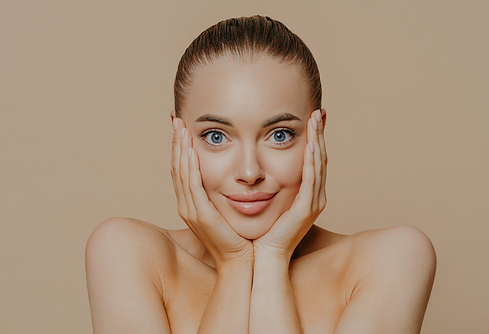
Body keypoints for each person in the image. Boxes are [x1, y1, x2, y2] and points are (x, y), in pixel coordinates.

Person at [85, 15, 436, 334]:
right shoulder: (129, 254)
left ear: (318, 133)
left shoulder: (391, 260)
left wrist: (271, 259)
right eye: (216, 136)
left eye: (279, 135)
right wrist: (235, 264)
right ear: (180, 137)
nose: (250, 172)